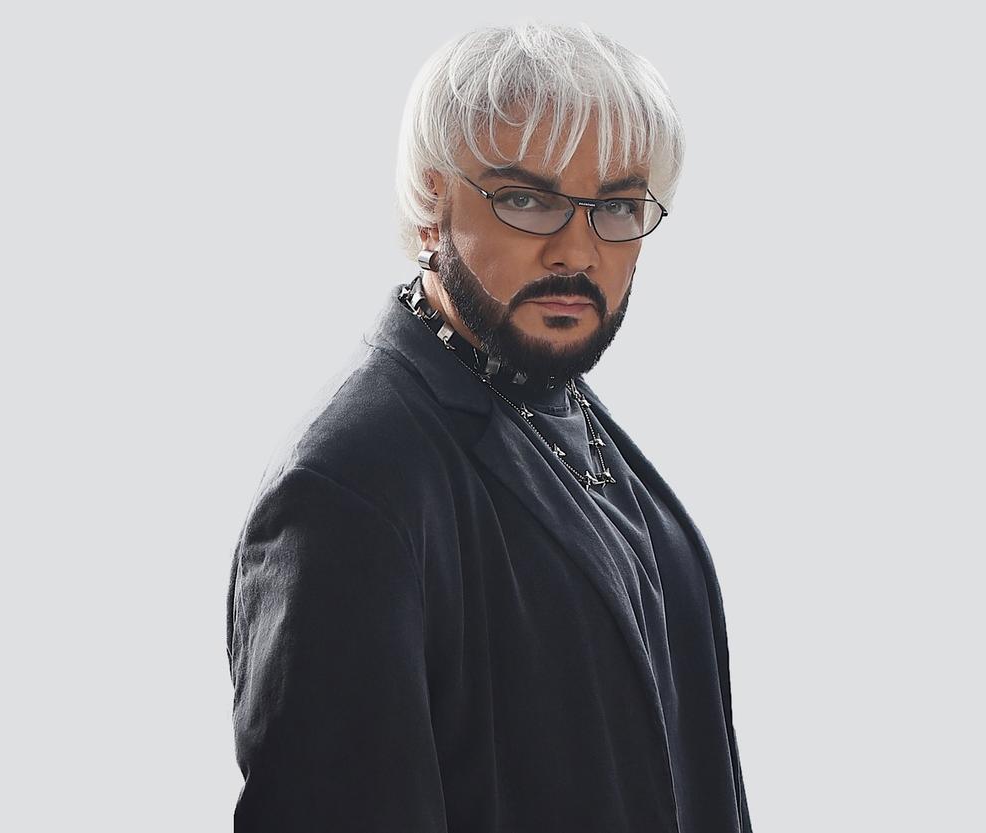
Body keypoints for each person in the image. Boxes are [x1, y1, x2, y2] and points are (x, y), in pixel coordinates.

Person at [226, 21, 752, 833]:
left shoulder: (563, 409)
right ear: (431, 204)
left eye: (616, 206)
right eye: (526, 199)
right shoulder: (349, 489)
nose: (577, 251)